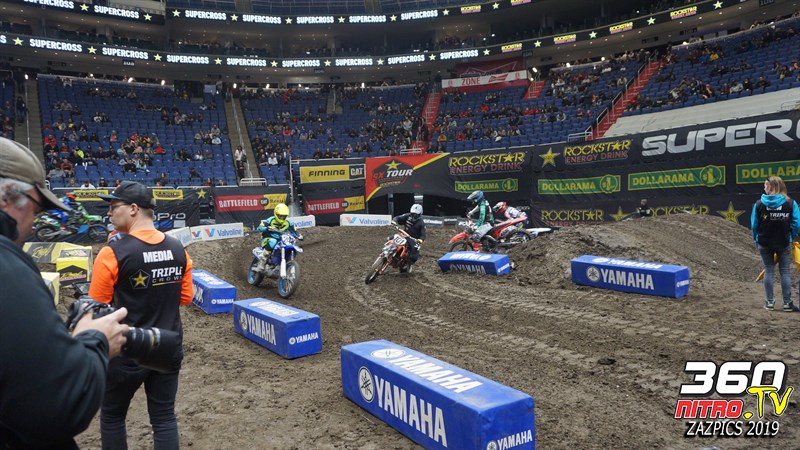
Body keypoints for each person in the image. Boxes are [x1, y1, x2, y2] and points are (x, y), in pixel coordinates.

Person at [0, 137, 129, 449]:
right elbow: (58, 404)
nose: (32, 223)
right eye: (36, 208)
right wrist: (94, 339)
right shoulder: (7, 268)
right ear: (6, 197)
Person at [88, 181, 194, 449]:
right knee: (164, 417)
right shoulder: (179, 249)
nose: (109, 213)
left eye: (114, 206)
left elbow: (96, 308)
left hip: (126, 349)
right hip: (167, 344)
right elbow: (185, 298)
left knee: (112, 416)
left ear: (133, 209)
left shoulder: (112, 253)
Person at [751, 176, 800, 311]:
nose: (764, 188)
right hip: (784, 242)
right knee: (785, 272)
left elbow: (754, 225)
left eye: (765, 185)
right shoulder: (790, 203)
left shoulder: (758, 204)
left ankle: (769, 302)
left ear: (771, 187)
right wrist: (791, 235)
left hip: (764, 242)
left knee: (769, 270)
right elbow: (796, 223)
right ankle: (787, 303)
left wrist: (756, 239)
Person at [392, 204, 426, 269]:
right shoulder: (407, 216)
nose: (413, 216)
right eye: (412, 214)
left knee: (414, 255)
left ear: (419, 214)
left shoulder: (421, 223)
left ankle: (408, 263)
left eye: (415, 214)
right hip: (404, 234)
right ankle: (387, 251)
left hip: (413, 239)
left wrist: (420, 240)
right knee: (391, 238)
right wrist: (394, 221)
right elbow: (398, 218)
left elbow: (423, 234)